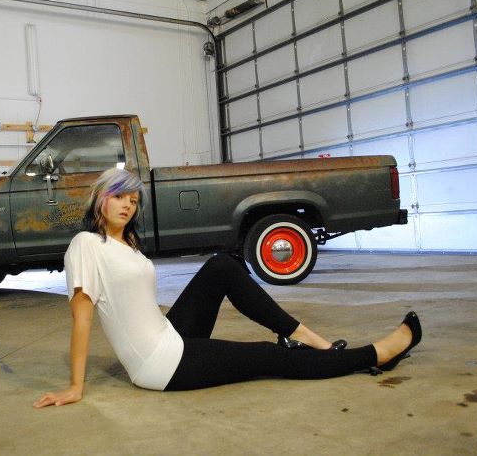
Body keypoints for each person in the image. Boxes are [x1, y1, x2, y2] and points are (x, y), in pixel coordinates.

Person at [33, 168, 422, 408]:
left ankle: (305, 336)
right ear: (99, 199)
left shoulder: (128, 244)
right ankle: (375, 355)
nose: (127, 206)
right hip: (160, 363)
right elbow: (82, 319)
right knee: (268, 357)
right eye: (118, 197)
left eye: (133, 200)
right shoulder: (86, 244)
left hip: (169, 334)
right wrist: (75, 387)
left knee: (221, 265)